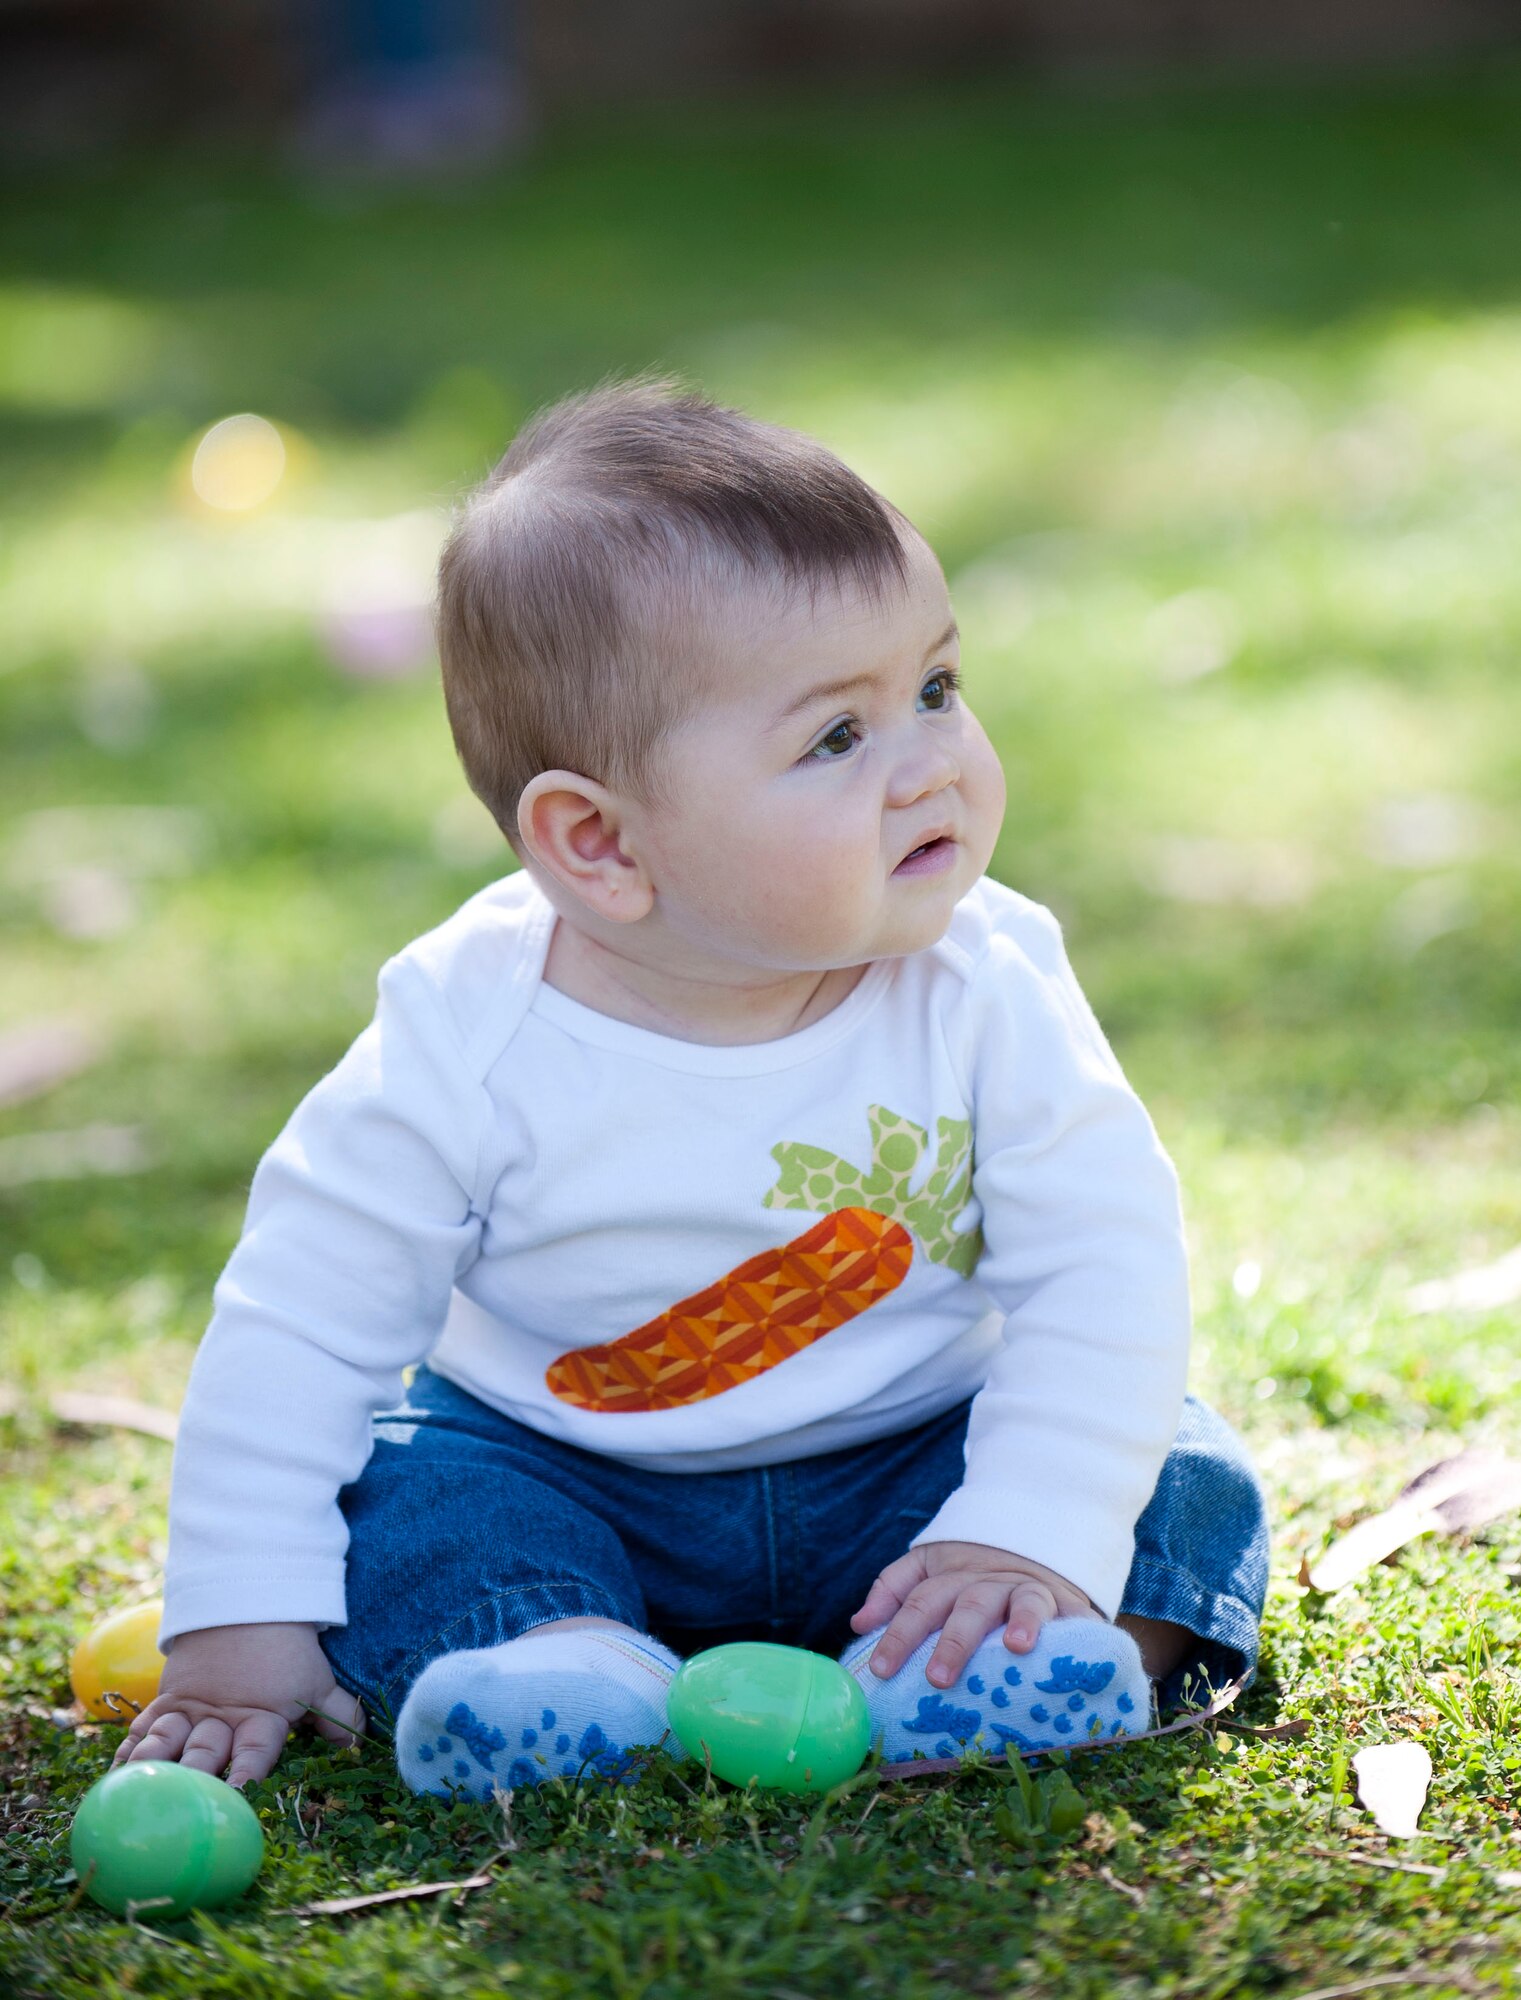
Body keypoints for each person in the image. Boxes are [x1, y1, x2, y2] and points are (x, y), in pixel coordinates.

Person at [113, 377, 1269, 1795]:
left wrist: (1020, 1533)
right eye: (837, 737)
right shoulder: (463, 1034)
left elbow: (1103, 1265)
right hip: (562, 1468)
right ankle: (559, 1664)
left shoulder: (984, 979)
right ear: (600, 844)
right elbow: (299, 1325)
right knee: (408, 1509)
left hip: (918, 1459)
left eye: (935, 689)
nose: (933, 767)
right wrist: (235, 1624)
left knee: (1177, 1477)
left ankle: (1006, 1650)